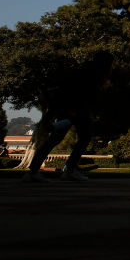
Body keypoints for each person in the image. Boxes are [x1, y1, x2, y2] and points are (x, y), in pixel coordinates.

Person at [23, 51, 113, 184]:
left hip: (71, 110)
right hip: (76, 110)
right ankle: (69, 170)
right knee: (83, 137)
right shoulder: (91, 75)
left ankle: (34, 171)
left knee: (55, 139)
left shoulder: (86, 72)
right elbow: (82, 94)